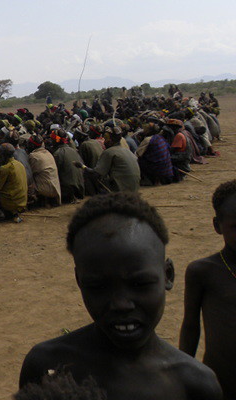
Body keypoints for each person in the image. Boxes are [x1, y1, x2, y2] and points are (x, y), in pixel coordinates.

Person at [19, 192, 222, 400]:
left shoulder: (195, 384)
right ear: (79, 281)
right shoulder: (46, 365)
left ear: (168, 275)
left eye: (140, 284)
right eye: (98, 286)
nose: (121, 305)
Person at [179, 180, 236, 399]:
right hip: (221, 381)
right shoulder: (203, 272)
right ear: (217, 226)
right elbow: (191, 327)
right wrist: (183, 373)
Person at [76, 127, 140, 193]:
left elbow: (96, 174)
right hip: (135, 189)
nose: (104, 142)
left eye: (106, 139)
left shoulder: (109, 152)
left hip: (121, 191)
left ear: (110, 140)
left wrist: (82, 166)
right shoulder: (126, 150)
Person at [0, 143, 28, 222]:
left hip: (11, 203)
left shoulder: (5, 168)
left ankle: (0, 212)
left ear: (3, 156)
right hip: (22, 201)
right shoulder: (19, 164)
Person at [27, 135, 61, 207]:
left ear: (32, 145)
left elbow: (29, 174)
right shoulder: (48, 153)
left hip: (46, 190)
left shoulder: (33, 156)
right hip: (55, 189)